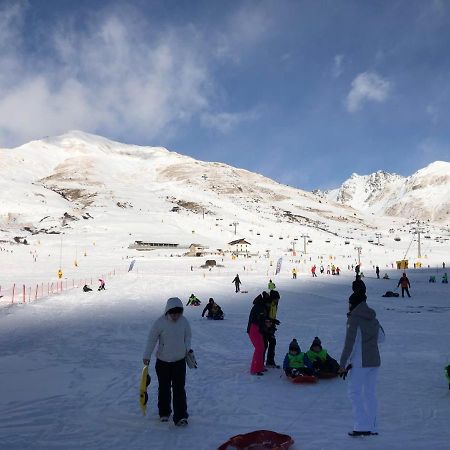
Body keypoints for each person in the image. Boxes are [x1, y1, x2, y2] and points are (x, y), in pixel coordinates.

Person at [339, 289, 385, 437]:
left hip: (360, 362)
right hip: (374, 361)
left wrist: (342, 364)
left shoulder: (354, 319)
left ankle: (361, 425)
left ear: (353, 304)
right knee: (370, 393)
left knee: (354, 392)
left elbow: (350, 344)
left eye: (350, 303)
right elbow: (382, 338)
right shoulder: (373, 318)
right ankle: (373, 426)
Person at [142, 297, 192, 426]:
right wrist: (147, 356)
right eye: (173, 312)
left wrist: (187, 350)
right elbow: (151, 340)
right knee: (164, 388)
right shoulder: (160, 323)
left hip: (179, 362)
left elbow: (188, 337)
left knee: (179, 389)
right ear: (167, 311)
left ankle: (181, 416)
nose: (175, 315)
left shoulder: (184, 322)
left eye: (178, 312)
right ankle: (164, 413)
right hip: (163, 362)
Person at [247, 294, 267, 375]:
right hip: (254, 329)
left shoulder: (260, 306)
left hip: (257, 328)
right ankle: (255, 368)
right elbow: (257, 320)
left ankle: (260, 367)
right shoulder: (259, 307)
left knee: (261, 348)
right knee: (259, 348)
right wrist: (265, 324)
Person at [264, 290, 281, 368]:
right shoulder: (268, 304)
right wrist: (273, 321)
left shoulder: (275, 304)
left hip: (271, 326)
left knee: (272, 342)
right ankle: (261, 362)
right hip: (265, 327)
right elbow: (265, 317)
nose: (278, 300)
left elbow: (272, 315)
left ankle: (270, 361)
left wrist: (273, 323)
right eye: (276, 299)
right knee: (264, 345)